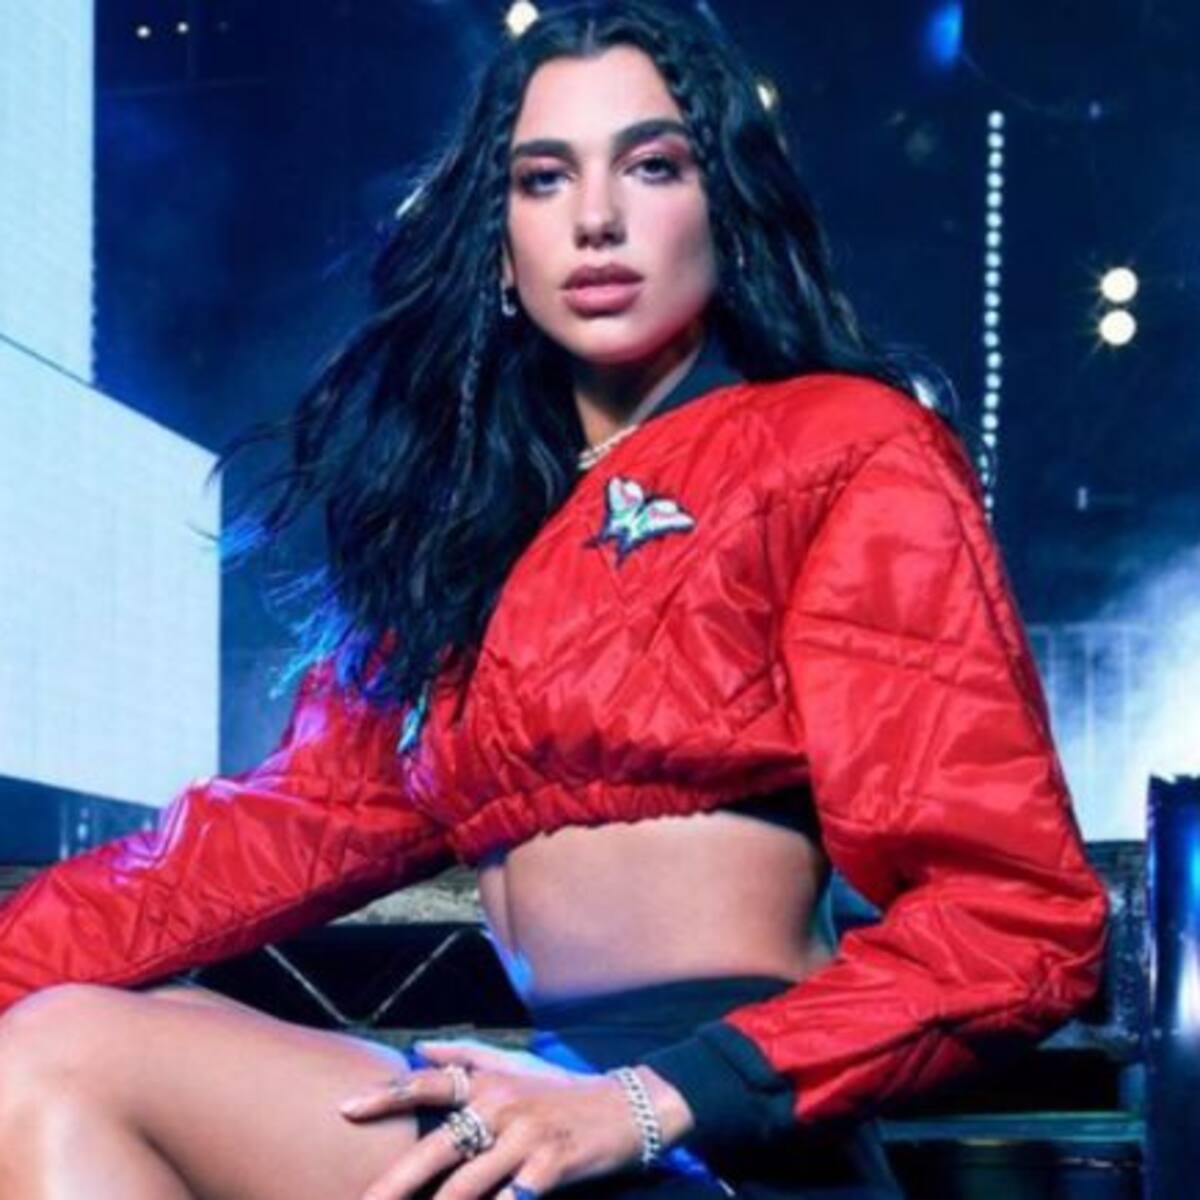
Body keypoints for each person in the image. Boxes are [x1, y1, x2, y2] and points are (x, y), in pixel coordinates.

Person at [0, 3, 1108, 1198]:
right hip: (542, 1109)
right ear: (499, 237)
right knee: (53, 1033)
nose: (596, 219)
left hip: (728, 1137)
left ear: (723, 205)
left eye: (653, 166)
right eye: (544, 178)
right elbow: (255, 840)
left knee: (66, 1057)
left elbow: (1018, 918)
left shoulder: (842, 446)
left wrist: (643, 1103)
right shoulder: (469, 538)